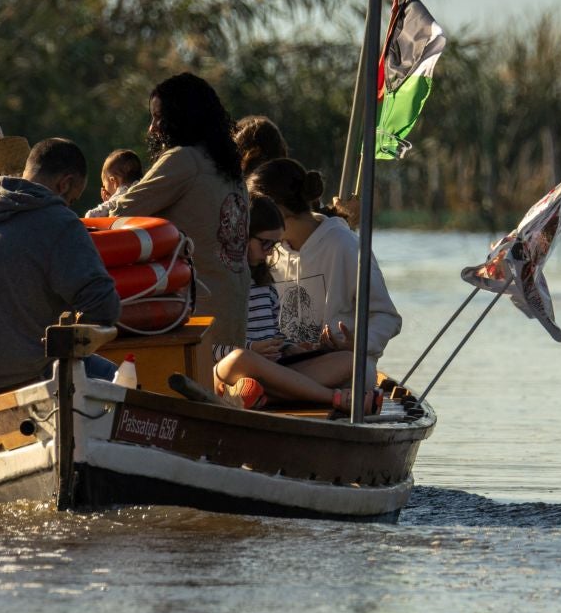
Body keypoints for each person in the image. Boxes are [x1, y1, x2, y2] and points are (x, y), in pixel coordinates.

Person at [0, 138, 120, 401]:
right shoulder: (58, 220)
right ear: (64, 184)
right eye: (71, 199)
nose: (68, 205)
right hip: (18, 384)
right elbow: (104, 306)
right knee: (118, 379)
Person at [90, 73, 251, 358]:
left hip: (194, 318)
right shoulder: (228, 167)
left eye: (159, 118)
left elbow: (120, 212)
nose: (152, 129)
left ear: (182, 118)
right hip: (232, 313)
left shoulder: (183, 160)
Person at [208, 196, 364, 411]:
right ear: (241, 235)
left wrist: (291, 348)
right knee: (242, 359)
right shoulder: (214, 282)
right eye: (265, 243)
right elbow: (202, 348)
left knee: (349, 360)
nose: (270, 251)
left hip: (275, 371)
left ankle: (261, 397)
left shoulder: (265, 282)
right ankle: (332, 398)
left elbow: (277, 334)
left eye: (275, 244)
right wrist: (251, 349)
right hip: (230, 373)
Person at [249, 157, 401, 367]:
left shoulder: (344, 245)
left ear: (278, 209)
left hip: (339, 366)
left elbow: (386, 316)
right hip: (287, 366)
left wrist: (358, 345)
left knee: (348, 365)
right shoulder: (268, 251)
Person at [85, 149, 144, 216]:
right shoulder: (143, 188)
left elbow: (92, 215)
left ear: (114, 181)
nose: (106, 192)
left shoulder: (123, 192)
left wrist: (108, 202)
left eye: (105, 187)